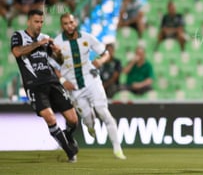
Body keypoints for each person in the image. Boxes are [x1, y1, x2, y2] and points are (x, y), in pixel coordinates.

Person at [53, 13, 126, 160]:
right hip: (74, 87)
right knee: (88, 120)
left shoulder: (87, 37)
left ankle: (117, 149)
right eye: (66, 23)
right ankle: (90, 126)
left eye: (71, 22)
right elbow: (54, 66)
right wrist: (62, 80)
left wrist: (101, 61)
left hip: (92, 81)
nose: (69, 26)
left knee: (103, 112)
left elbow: (105, 54)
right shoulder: (57, 42)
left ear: (76, 23)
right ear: (62, 26)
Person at [10, 9, 79, 162]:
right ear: (29, 21)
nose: (39, 25)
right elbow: (17, 52)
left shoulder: (45, 38)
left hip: (52, 82)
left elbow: (59, 61)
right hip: (34, 85)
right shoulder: (18, 36)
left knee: (73, 120)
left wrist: (58, 52)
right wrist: (38, 44)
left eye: (41, 22)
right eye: (36, 21)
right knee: (50, 117)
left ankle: (68, 135)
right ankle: (69, 152)